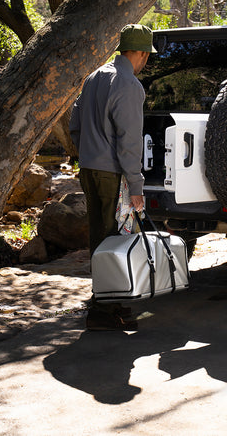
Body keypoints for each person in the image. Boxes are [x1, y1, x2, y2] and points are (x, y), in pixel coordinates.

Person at [69, 23, 156, 331]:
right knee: (114, 239)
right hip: (112, 173)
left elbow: (75, 123)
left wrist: (87, 152)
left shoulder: (94, 77)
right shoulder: (129, 85)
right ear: (142, 54)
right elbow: (129, 142)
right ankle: (104, 311)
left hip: (89, 169)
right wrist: (136, 185)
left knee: (100, 236)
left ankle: (111, 303)